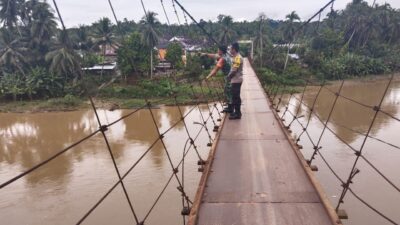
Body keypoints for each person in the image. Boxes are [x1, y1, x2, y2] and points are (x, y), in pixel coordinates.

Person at [202, 46, 232, 113]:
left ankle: (231, 107)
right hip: (232, 75)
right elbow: (215, 56)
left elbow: (215, 70)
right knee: (228, 90)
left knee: (227, 91)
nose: (217, 50)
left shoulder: (222, 59)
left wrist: (207, 77)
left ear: (221, 51)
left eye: (218, 49)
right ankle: (230, 105)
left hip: (229, 77)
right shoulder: (226, 54)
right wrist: (206, 54)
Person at [226, 42, 243, 120]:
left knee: (236, 97)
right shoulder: (235, 57)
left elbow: (234, 71)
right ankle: (237, 112)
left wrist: (228, 77)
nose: (230, 50)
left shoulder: (238, 58)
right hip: (236, 80)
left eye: (231, 49)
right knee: (235, 96)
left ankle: (237, 114)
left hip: (236, 80)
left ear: (234, 49)